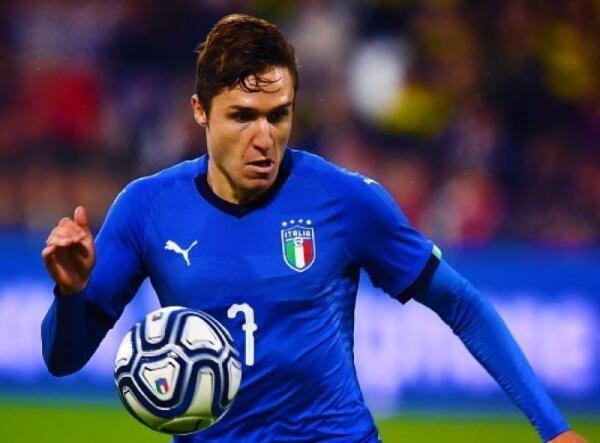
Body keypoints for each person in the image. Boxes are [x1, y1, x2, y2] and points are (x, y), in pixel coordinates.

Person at [41, 14, 587, 443]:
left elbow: (461, 304)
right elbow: (62, 360)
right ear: (200, 111)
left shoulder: (343, 200)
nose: (264, 138)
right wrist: (70, 294)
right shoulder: (146, 208)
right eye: (242, 116)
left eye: (278, 115)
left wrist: (554, 429)